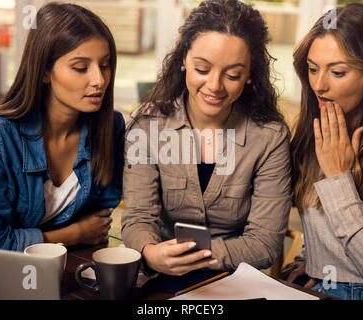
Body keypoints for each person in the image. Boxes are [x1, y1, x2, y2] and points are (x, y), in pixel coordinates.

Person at [121, 0, 291, 276]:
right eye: (202, 69)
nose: (214, 86)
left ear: (250, 74)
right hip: (161, 273)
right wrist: (150, 253)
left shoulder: (270, 137)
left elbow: (265, 243)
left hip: (236, 277)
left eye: (233, 74)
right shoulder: (147, 124)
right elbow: (139, 217)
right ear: (183, 61)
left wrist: (200, 256)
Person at [0, 3, 125, 251]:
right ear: (44, 71)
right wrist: (74, 233)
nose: (99, 80)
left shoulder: (111, 127)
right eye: (80, 67)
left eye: (105, 65)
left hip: (59, 265)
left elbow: (100, 221)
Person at [282, 3, 363, 300]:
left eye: (337, 72)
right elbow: (321, 222)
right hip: (324, 288)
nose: (319, 85)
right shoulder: (309, 132)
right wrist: (313, 261)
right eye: (312, 69)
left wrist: (338, 177)